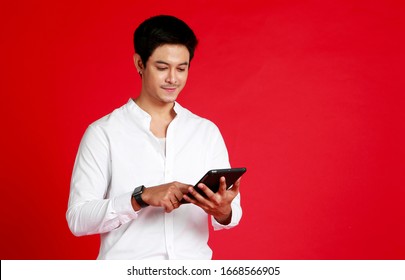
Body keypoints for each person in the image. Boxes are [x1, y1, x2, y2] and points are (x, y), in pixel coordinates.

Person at [66, 15, 242, 260]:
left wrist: (223, 210)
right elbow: (78, 218)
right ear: (140, 63)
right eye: (162, 68)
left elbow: (232, 214)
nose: (173, 78)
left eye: (182, 68)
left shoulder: (206, 132)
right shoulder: (103, 133)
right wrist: (140, 197)